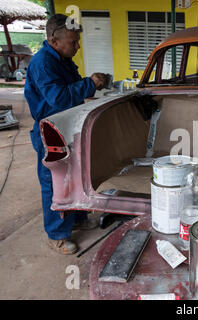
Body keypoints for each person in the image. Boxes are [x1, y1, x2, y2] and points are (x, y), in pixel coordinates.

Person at [25, 14, 105, 255]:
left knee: (77, 175)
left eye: (77, 41)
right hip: (50, 131)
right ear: (54, 40)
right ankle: (56, 235)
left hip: (69, 125)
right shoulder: (42, 63)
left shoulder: (62, 58)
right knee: (55, 181)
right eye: (73, 42)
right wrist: (89, 84)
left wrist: (87, 85)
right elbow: (57, 98)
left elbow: (68, 89)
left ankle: (78, 218)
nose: (77, 46)